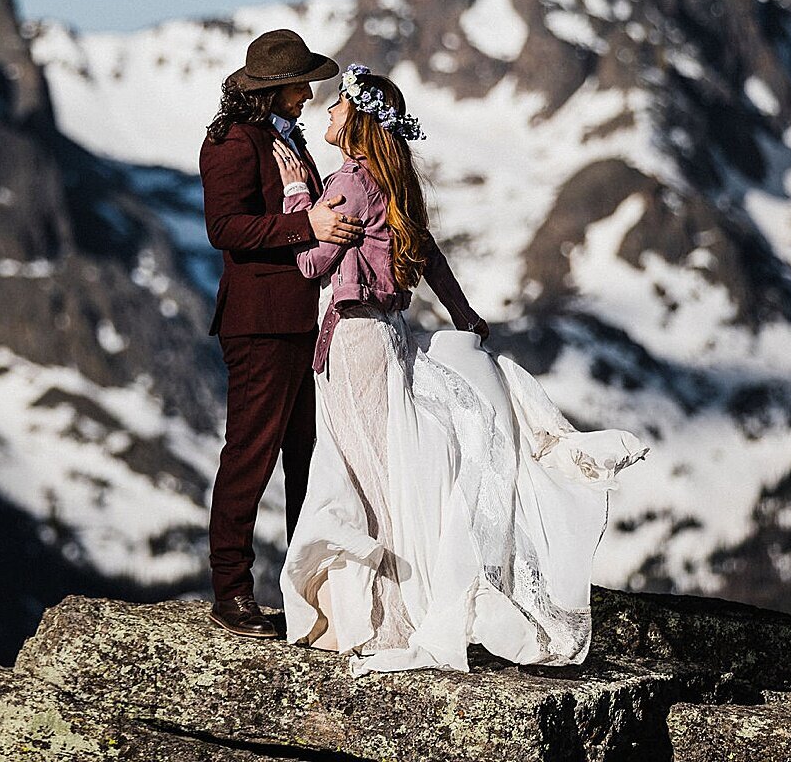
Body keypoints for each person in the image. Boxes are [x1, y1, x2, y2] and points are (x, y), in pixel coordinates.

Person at [276, 64, 647, 673]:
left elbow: (313, 265)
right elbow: (430, 256)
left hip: (355, 344)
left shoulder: (349, 181)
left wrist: (297, 197)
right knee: (380, 471)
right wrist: (463, 312)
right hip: (383, 336)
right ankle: (387, 611)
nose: (328, 109)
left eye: (339, 103)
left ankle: (390, 619)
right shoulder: (388, 183)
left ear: (361, 122)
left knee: (369, 480)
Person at [199, 28, 365, 638]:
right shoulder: (232, 144)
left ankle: (307, 589)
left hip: (298, 319)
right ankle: (231, 591)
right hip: (258, 323)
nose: (309, 95)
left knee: (304, 458)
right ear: (276, 88)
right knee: (251, 454)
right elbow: (226, 228)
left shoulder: (283, 137)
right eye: (301, 85)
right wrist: (307, 225)